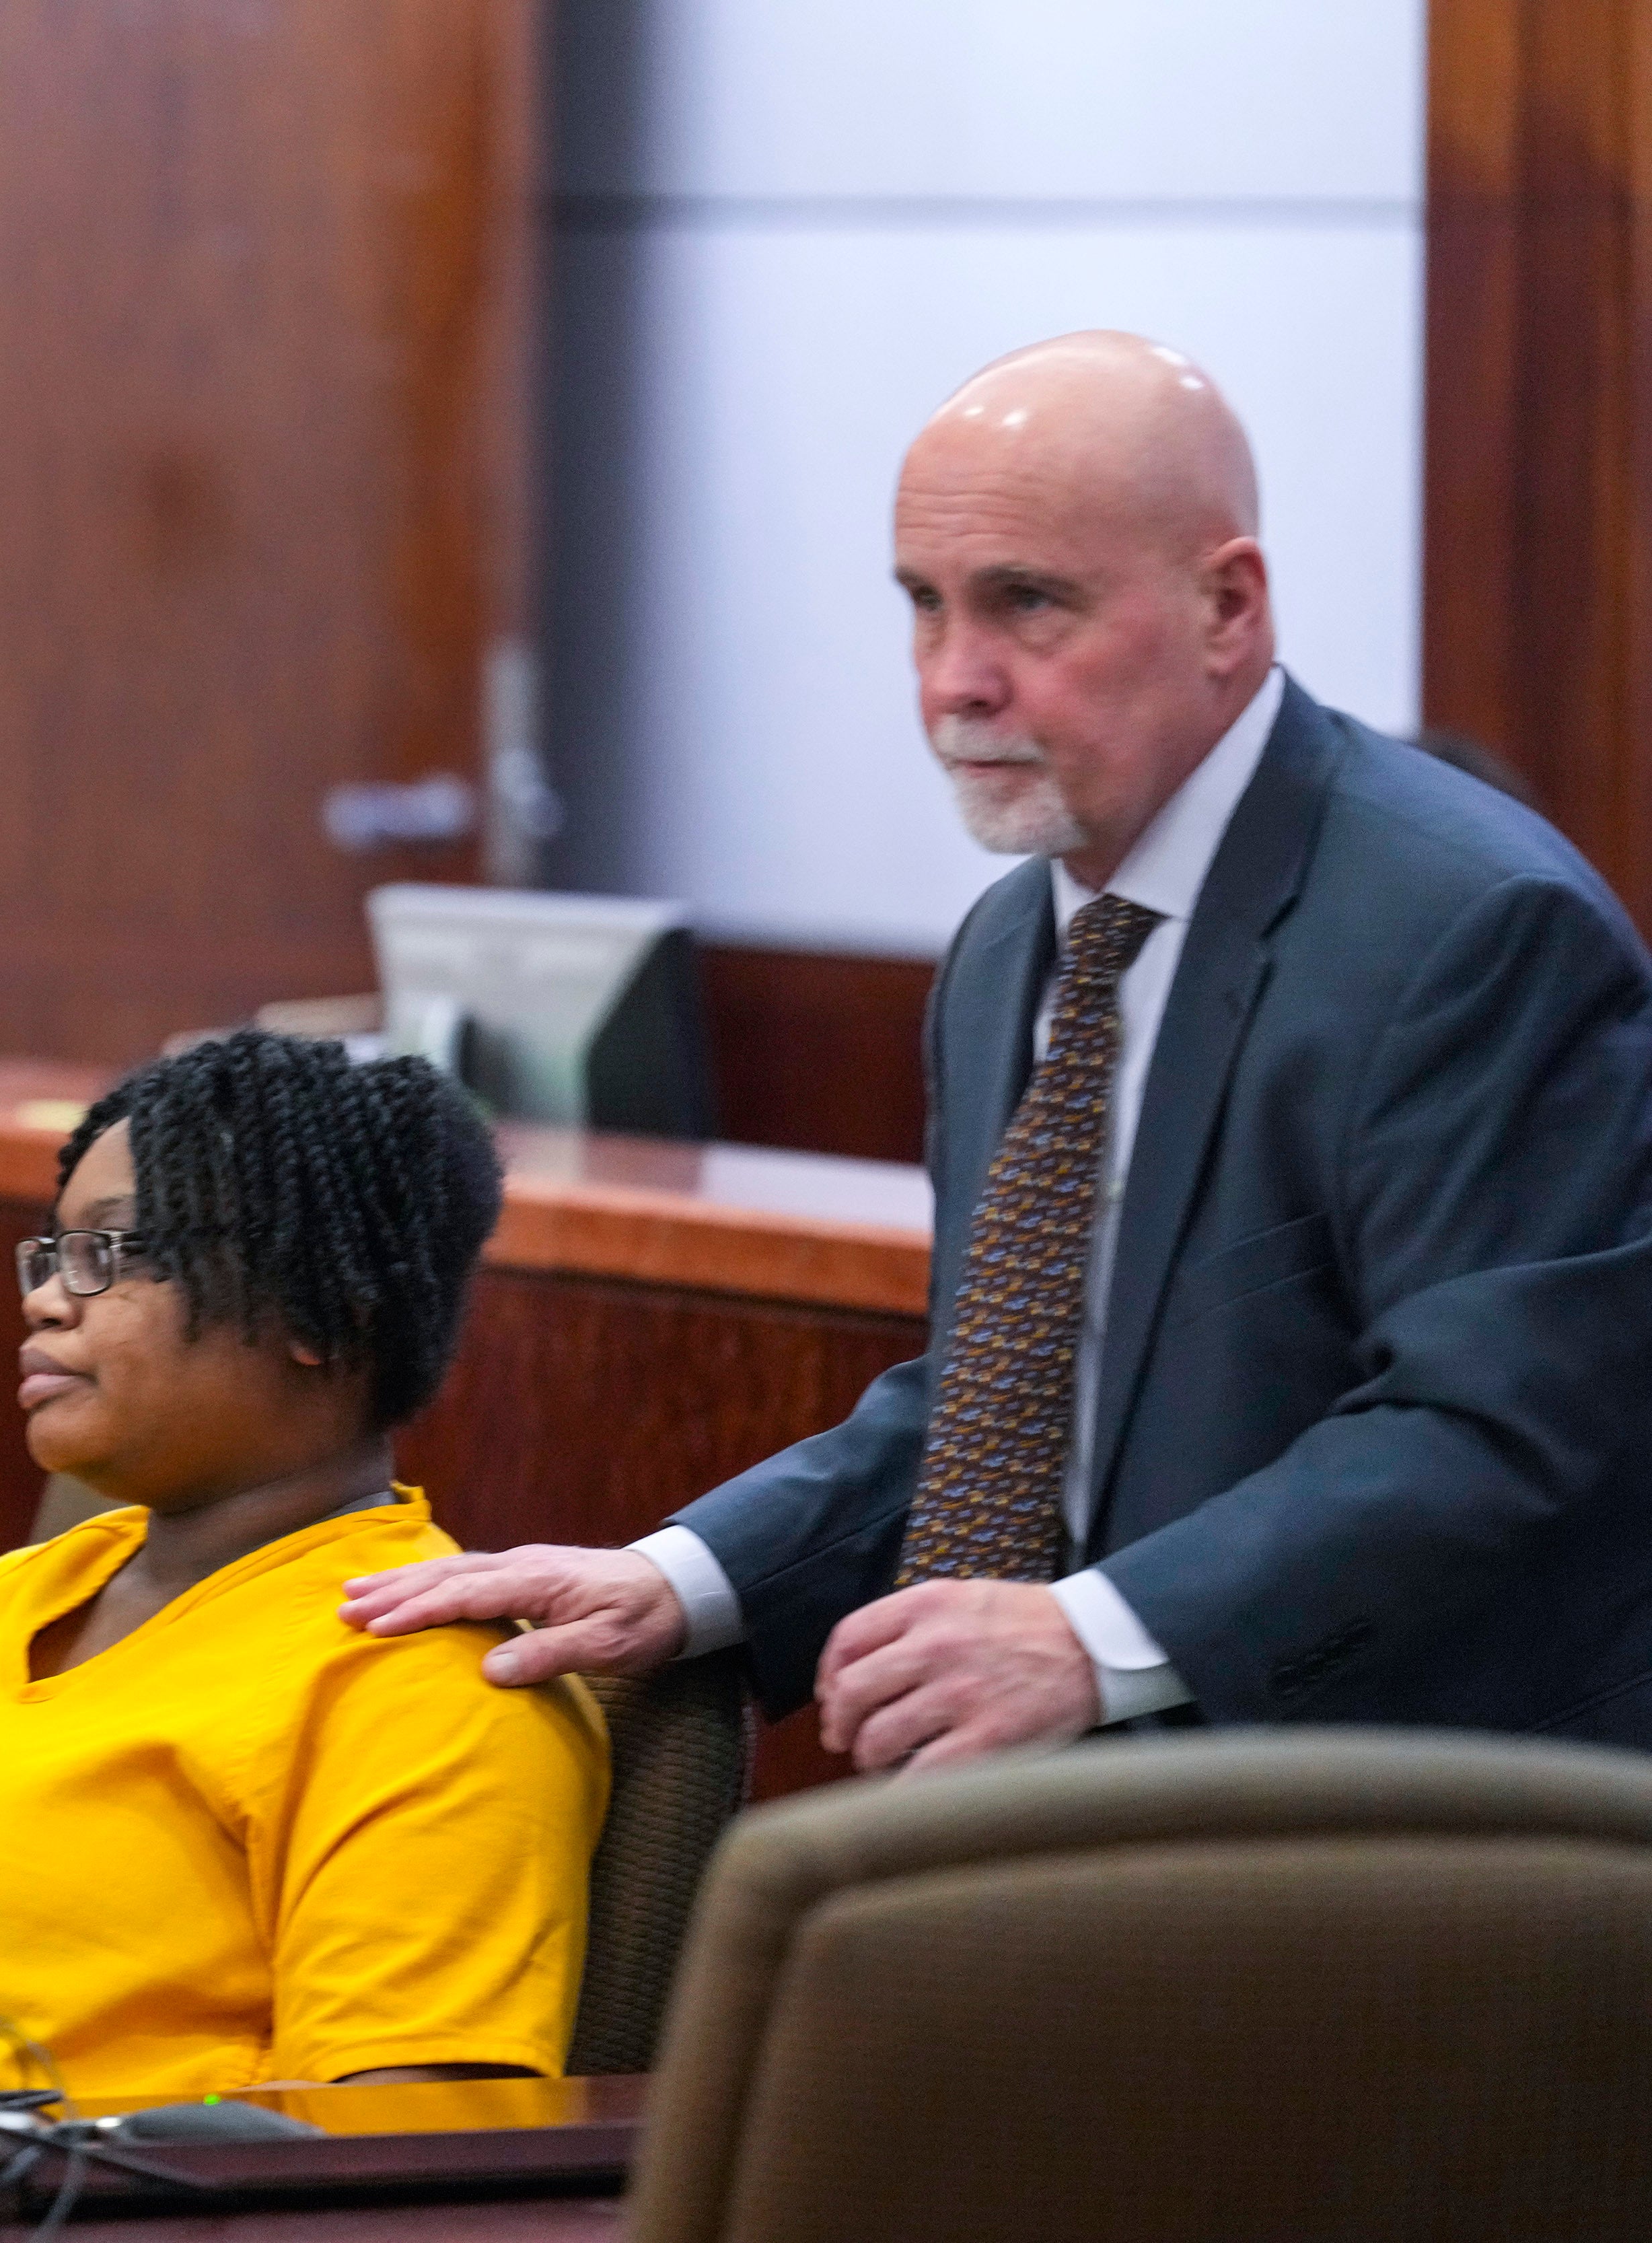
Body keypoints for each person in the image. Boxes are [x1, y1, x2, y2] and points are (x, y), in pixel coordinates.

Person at [347, 330, 1652, 1769]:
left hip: (1401, 1822)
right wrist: (682, 1572)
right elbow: (1008, 1394)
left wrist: (1092, 1633)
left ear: (1226, 606)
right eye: (923, 605)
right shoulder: (1005, 948)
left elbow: (1494, 1427)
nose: (952, 682)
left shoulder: (1470, 926)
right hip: (1087, 1807)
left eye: (1025, 605)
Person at [0, 1032, 608, 2096]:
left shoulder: (423, 1686)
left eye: (108, 1255)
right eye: (51, 1255)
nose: (46, 1300)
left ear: (321, 1314)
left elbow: (390, 2141)